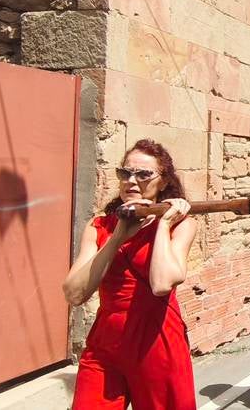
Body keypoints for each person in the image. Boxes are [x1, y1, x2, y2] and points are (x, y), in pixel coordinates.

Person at [63, 139, 198, 410]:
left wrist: (163, 224)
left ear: (163, 181)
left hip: (156, 340)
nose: (131, 181)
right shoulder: (100, 226)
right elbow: (74, 293)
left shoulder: (181, 226)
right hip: (106, 341)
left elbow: (162, 284)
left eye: (143, 174)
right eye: (125, 173)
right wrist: (116, 237)